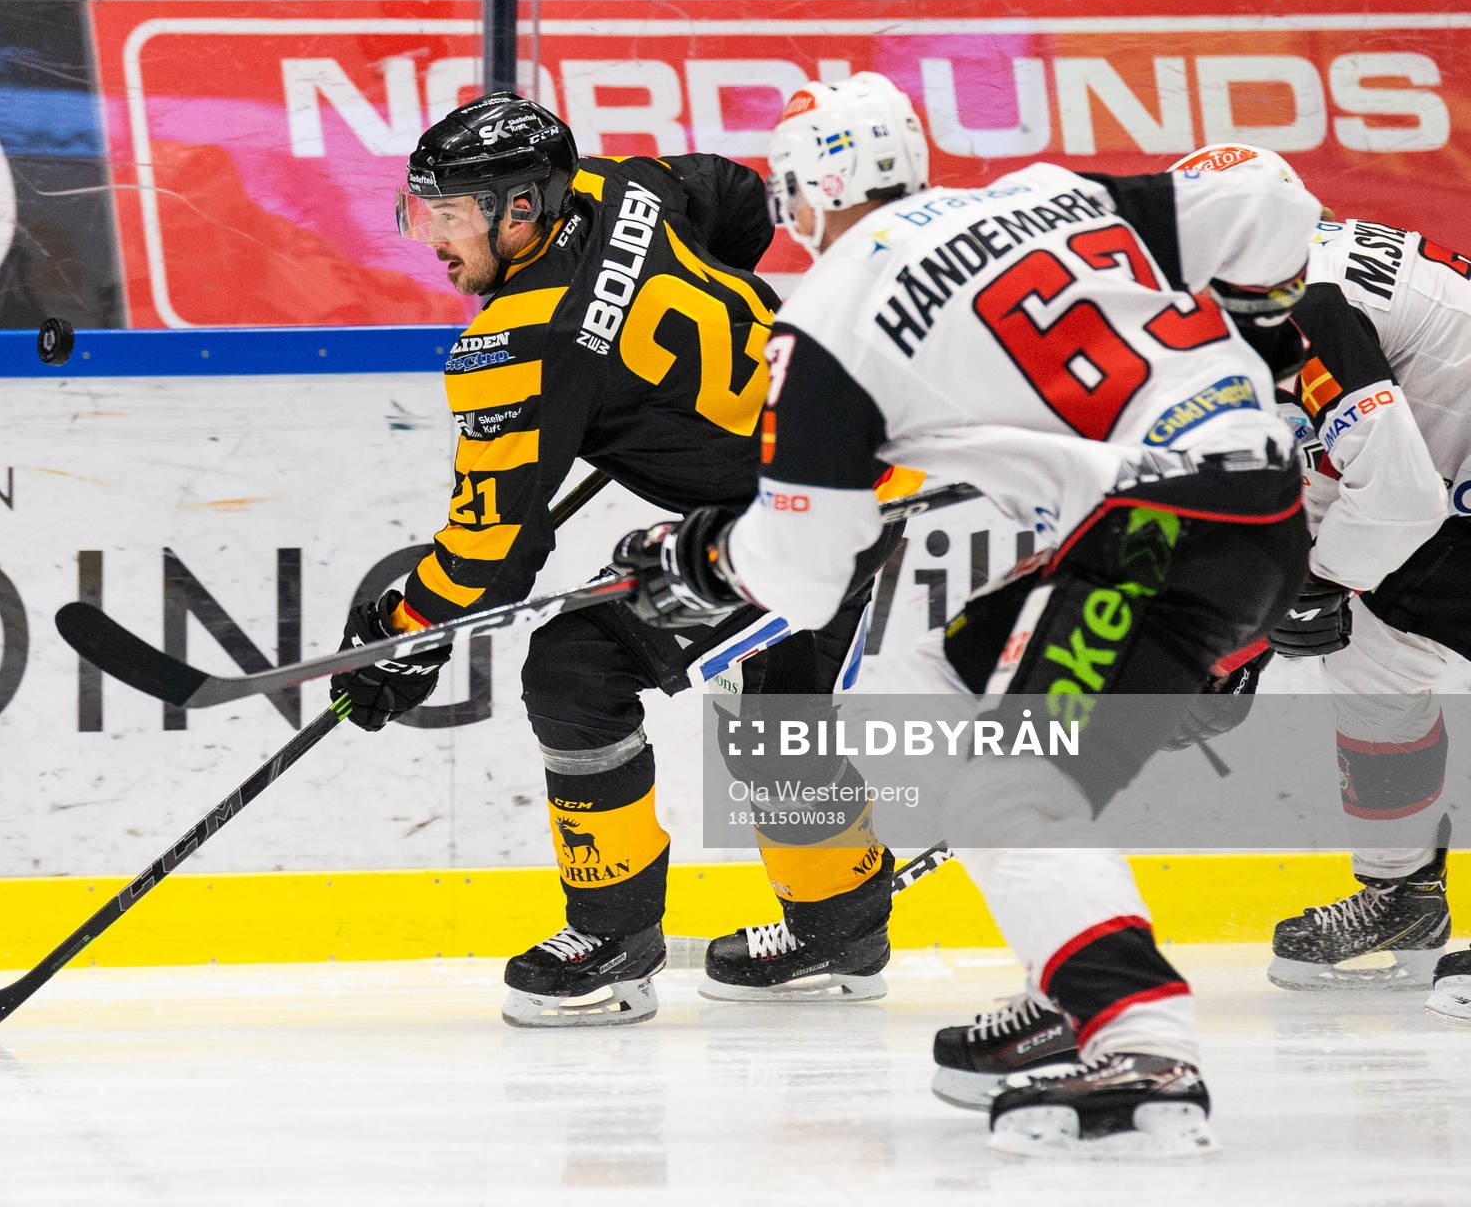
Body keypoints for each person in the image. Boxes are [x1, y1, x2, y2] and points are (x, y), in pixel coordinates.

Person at [613, 75, 1321, 1155]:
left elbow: (802, 575)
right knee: (928, 685)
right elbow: (1272, 207)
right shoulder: (1047, 191)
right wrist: (1269, 333)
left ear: (807, 190)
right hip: (1256, 502)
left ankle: (1144, 1042)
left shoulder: (828, 312)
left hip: (1150, 529)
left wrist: (701, 558)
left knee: (1010, 781)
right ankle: (1071, 964)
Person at [330, 90, 911, 1028]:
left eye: (448, 215)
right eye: (421, 211)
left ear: (520, 208)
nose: (430, 238)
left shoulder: (519, 345)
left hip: (792, 521)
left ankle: (614, 941)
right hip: (859, 456)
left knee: (576, 669)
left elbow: (489, 557)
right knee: (778, 708)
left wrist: (403, 635)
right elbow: (734, 196)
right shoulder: (617, 186)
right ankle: (840, 926)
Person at [1164, 147, 1468, 1021]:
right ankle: (1404, 897)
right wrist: (1235, 646)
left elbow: (1397, 489)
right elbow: (1311, 475)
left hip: (1442, 485)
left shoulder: (1307, 303)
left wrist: (1295, 600)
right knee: (1371, 655)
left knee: (1356, 615)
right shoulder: (1279, 281)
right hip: (1449, 481)